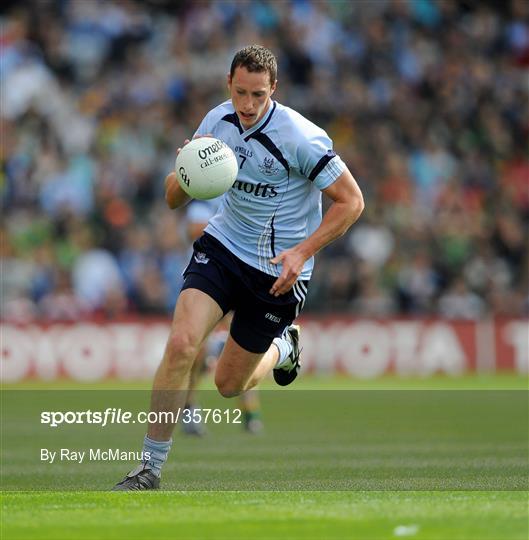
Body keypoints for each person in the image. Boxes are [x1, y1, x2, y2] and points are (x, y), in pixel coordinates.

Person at [113, 44, 364, 490]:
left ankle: (285, 348)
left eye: (259, 96)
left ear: (274, 91)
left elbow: (352, 201)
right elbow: (174, 199)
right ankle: (149, 468)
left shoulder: (301, 137)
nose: (248, 106)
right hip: (224, 245)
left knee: (229, 384)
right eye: (241, 93)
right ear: (229, 84)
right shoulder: (216, 121)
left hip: (279, 269)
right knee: (182, 344)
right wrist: (184, 169)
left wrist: (303, 252)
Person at [181, 200, 264, 436]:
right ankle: (190, 409)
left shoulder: (247, 189)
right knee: (197, 351)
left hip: (244, 274)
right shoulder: (205, 197)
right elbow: (194, 231)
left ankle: (250, 413)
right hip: (207, 278)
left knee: (244, 345)